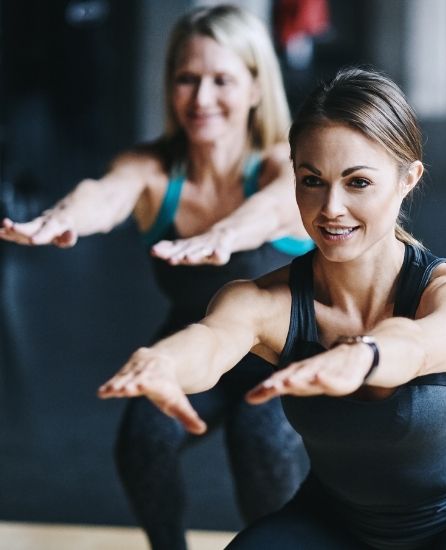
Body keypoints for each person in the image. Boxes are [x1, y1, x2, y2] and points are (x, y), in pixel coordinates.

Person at [98, 67, 446, 550]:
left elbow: (418, 344)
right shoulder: (266, 301)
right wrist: (165, 362)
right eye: (312, 180)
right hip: (335, 523)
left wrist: (364, 356)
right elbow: (212, 340)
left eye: (358, 182)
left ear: (407, 179)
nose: (330, 207)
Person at [1, 5, 310, 549]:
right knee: (142, 440)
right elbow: (108, 192)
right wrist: (65, 217)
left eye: (222, 80)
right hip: (192, 341)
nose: (202, 98)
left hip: (281, 353)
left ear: (257, 87)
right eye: (187, 79)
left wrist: (227, 235)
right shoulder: (153, 168)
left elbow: (274, 208)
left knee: (258, 444)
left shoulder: (282, 164)